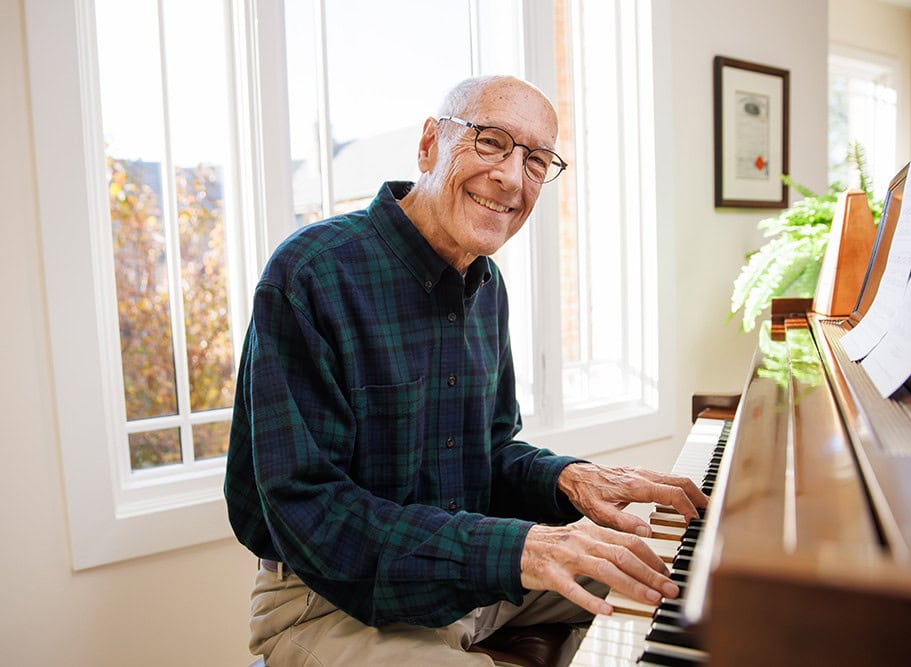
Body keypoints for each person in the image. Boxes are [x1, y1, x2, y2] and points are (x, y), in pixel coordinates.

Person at [225, 74, 707, 666]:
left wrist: (569, 479)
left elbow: (490, 450)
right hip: (327, 598)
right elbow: (313, 514)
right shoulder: (312, 273)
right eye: (492, 142)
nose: (512, 177)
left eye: (536, 160)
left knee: (680, 584)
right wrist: (517, 549)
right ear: (429, 144)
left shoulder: (487, 282)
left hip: (464, 578)